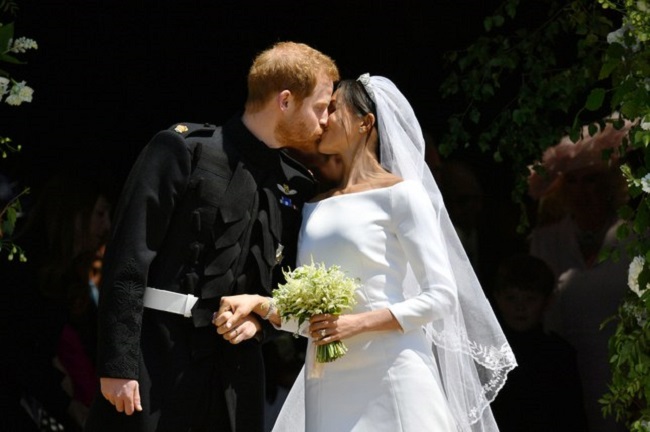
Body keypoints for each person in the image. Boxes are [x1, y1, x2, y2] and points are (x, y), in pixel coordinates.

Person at [214, 74, 516, 431]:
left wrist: (356, 324)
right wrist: (261, 304)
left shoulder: (401, 195)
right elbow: (316, 320)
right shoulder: (313, 204)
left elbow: (441, 297)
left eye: (332, 110)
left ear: (365, 122)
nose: (322, 120)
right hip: (326, 380)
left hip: (393, 372)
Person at [84, 41, 339, 432]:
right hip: (157, 358)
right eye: (320, 107)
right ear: (285, 101)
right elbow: (129, 259)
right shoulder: (183, 149)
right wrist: (118, 365)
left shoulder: (295, 185)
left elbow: (286, 285)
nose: (325, 121)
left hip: (237, 376)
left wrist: (262, 324)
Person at [527, 119, 632, 432]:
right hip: (566, 372)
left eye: (591, 180)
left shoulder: (635, 235)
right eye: (572, 181)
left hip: (627, 369)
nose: (581, 191)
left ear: (609, 184)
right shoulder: (545, 240)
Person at [1, 171, 112, 432]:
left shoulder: (65, 276)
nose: (107, 226)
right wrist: (66, 402)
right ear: (73, 215)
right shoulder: (22, 270)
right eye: (99, 214)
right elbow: (19, 354)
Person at [489, 253, 588, 432]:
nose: (520, 307)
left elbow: (573, 419)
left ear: (548, 301)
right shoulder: (487, 354)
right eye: (511, 298)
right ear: (497, 298)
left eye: (530, 298)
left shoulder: (560, 355)